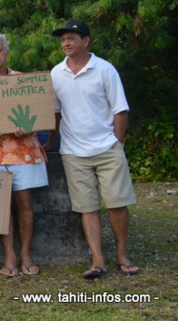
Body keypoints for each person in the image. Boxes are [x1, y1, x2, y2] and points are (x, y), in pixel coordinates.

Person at [46, 19, 139, 279]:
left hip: (107, 148)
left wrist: (116, 143)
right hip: (74, 151)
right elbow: (55, 113)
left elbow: (120, 109)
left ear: (86, 41)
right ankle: (98, 260)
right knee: (87, 207)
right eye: (63, 39)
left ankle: (122, 255)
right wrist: (52, 143)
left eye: (72, 38)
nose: (66, 43)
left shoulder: (104, 69)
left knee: (117, 204)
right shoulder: (56, 73)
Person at [0, 33, 48, 277]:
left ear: (7, 53)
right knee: (1, 207)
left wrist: (30, 125)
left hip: (23, 152)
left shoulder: (23, 82)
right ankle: (9, 257)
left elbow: (38, 116)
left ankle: (25, 254)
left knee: (24, 203)